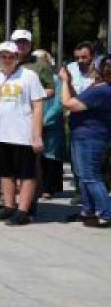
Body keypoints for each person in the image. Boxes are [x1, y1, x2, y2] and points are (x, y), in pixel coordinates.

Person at [0, 41, 46, 226]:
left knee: (26, 174)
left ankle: (23, 210)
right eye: (3, 56)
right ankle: (9, 206)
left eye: (11, 56)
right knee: (5, 172)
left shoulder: (29, 76)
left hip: (23, 133)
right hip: (0, 132)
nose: (7, 59)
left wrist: (37, 134)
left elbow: (38, 105)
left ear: (17, 57)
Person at [59, 58, 111, 227]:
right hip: (83, 135)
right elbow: (78, 99)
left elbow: (68, 103)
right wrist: (70, 83)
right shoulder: (97, 87)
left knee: (91, 177)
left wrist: (64, 82)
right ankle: (88, 211)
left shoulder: (101, 90)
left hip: (91, 137)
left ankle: (106, 213)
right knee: (83, 176)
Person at [33, 50, 67, 199]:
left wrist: (44, 119)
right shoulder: (31, 79)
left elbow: (59, 102)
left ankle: (49, 188)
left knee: (51, 155)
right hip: (34, 122)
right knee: (36, 156)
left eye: (41, 60)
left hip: (52, 124)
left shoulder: (56, 79)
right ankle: (37, 187)